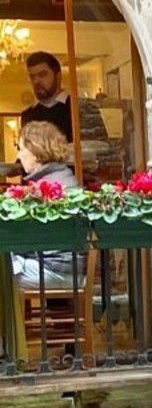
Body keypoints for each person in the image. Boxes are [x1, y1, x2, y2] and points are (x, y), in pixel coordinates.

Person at [9, 120, 81, 290]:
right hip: (63, 267)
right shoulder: (62, 176)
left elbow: (26, 239)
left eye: (21, 149)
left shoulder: (48, 185)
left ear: (35, 152)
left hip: (55, 270)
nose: (19, 156)